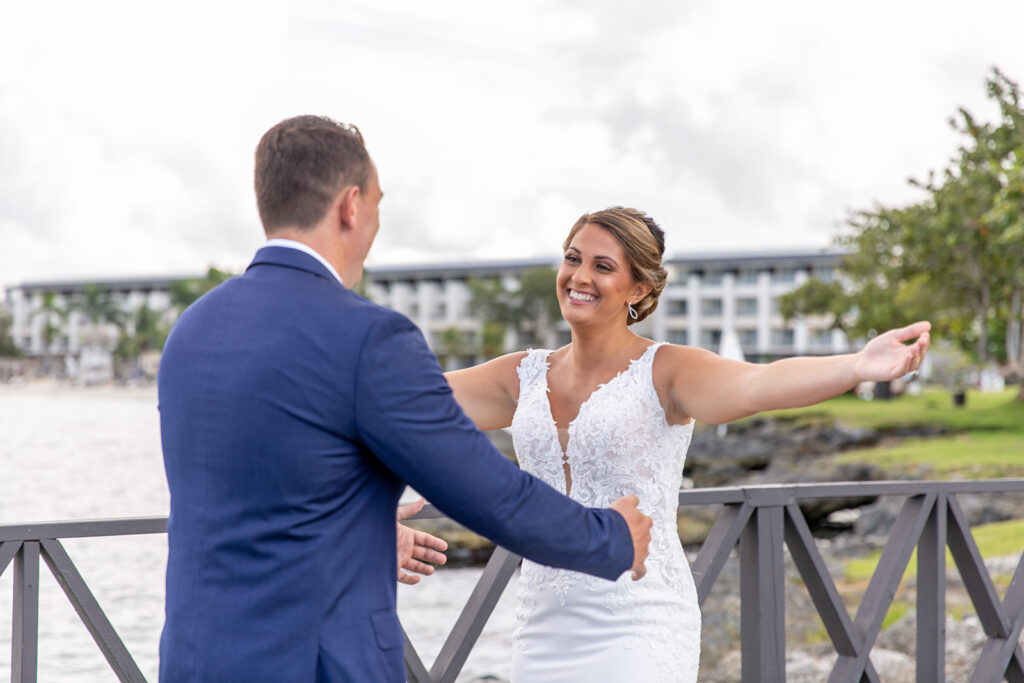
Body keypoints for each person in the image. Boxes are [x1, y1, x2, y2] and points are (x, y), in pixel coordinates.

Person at [157, 117, 654, 682]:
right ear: (350, 206)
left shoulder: (192, 330)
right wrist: (611, 537)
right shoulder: (368, 338)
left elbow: (262, 483)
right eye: (377, 203)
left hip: (195, 659)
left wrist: (360, 532)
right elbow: (489, 493)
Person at [444, 207, 931, 682]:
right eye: (573, 259)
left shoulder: (667, 371)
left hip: (638, 619)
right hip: (540, 626)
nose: (579, 277)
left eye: (602, 266)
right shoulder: (521, 374)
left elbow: (758, 384)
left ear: (639, 288)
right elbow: (403, 402)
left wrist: (855, 366)